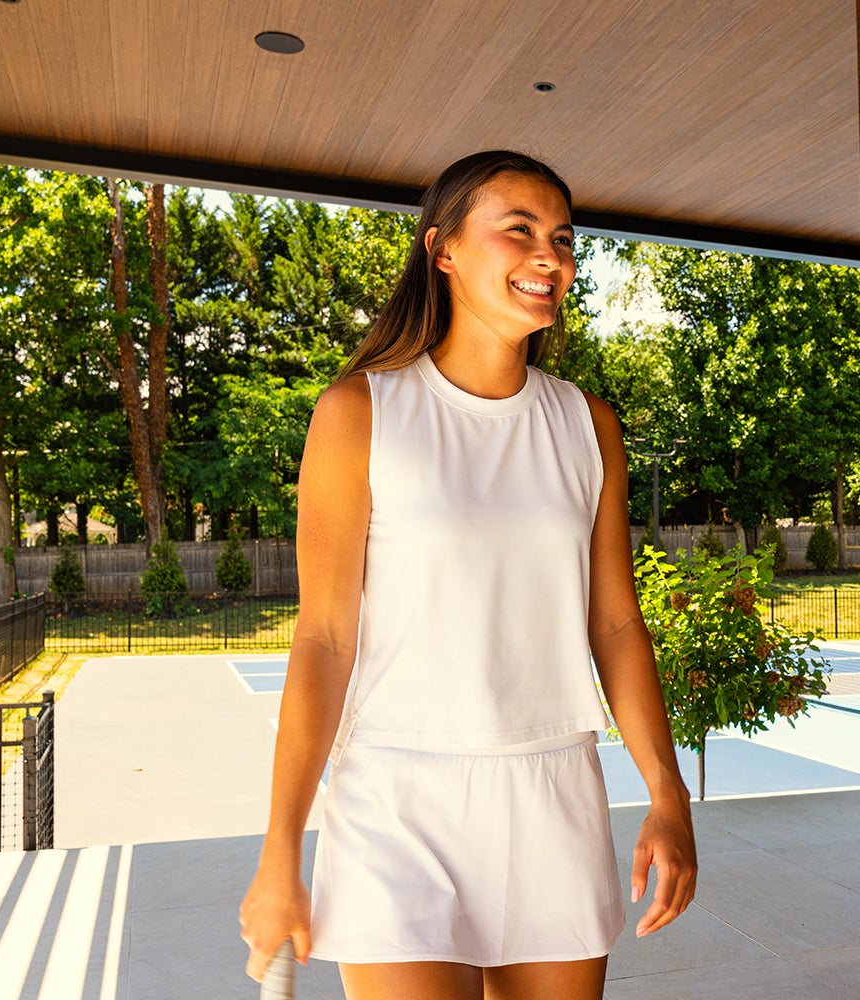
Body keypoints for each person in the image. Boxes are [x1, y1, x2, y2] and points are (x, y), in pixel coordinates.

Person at [238, 150, 697, 1000]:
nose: (550, 257)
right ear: (441, 249)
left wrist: (667, 793)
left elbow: (617, 626)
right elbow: (325, 638)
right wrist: (280, 851)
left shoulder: (586, 424)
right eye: (518, 230)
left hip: (552, 792)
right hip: (396, 800)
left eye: (562, 239)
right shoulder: (359, 412)